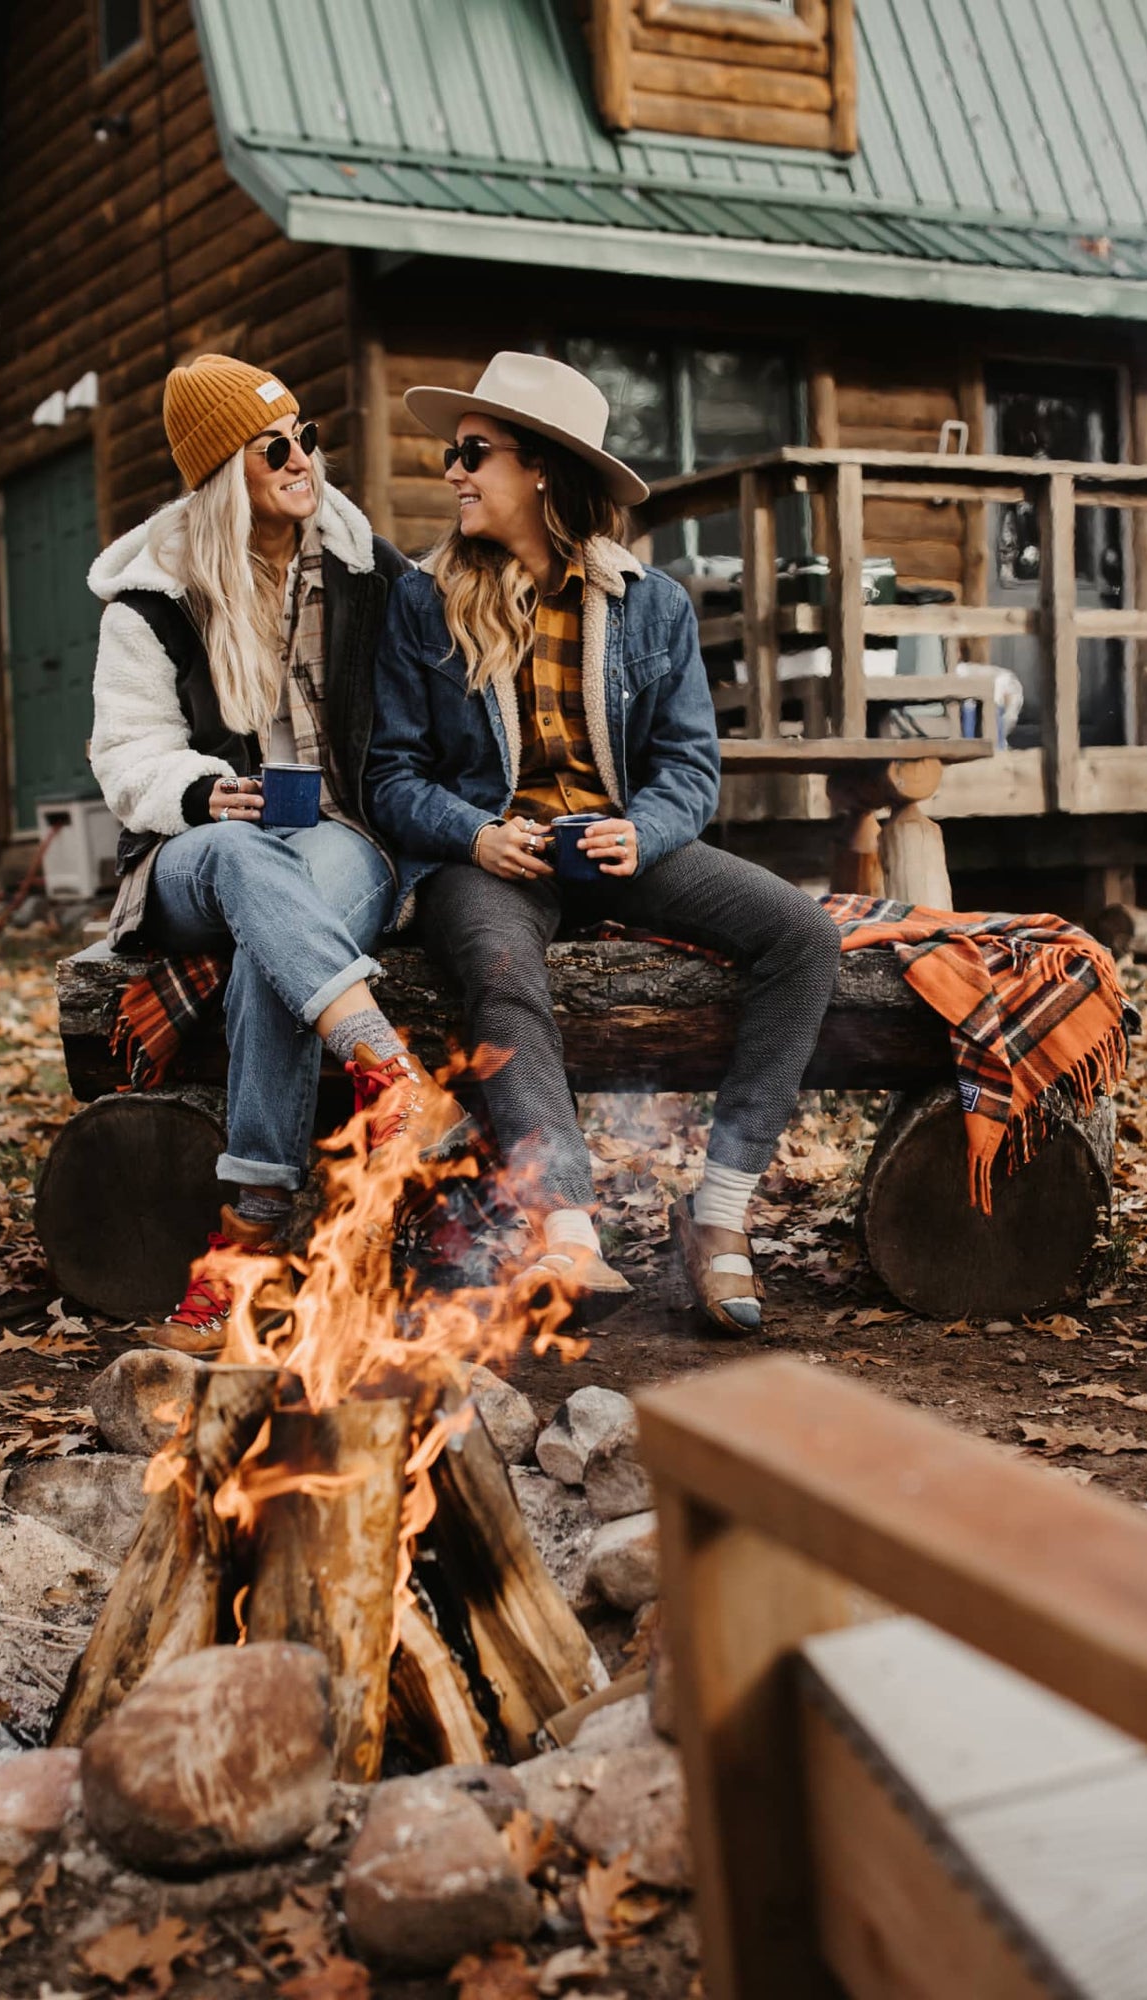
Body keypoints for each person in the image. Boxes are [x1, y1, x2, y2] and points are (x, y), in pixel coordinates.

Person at [366, 352, 841, 1334]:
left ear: (540, 468)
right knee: (499, 966)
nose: (451, 471)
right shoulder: (422, 602)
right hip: (492, 861)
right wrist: (473, 834)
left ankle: (715, 1215)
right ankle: (568, 1226)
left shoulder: (648, 605)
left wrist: (643, 830)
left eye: (472, 452)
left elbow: (688, 771)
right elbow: (390, 776)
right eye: (450, 454)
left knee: (803, 932)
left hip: (621, 847)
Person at [88, 354, 469, 1351]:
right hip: (194, 853)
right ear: (222, 472)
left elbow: (439, 697)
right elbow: (124, 753)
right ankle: (392, 1073)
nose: (302, 458)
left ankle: (247, 1235)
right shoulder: (152, 597)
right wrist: (200, 789)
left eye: (307, 434)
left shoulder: (363, 569)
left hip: (344, 839)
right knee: (247, 864)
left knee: (276, 945)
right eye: (275, 446)